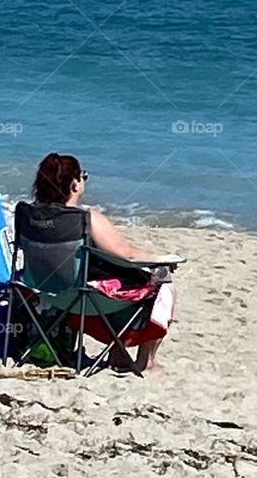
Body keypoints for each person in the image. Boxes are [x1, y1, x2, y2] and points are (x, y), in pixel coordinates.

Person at [30, 152, 175, 371]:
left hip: (45, 292)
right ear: (74, 184)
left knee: (112, 275)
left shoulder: (29, 215)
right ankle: (146, 360)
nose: (84, 182)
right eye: (83, 176)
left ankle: (117, 351)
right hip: (84, 299)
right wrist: (163, 259)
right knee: (162, 279)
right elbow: (129, 255)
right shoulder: (86, 219)